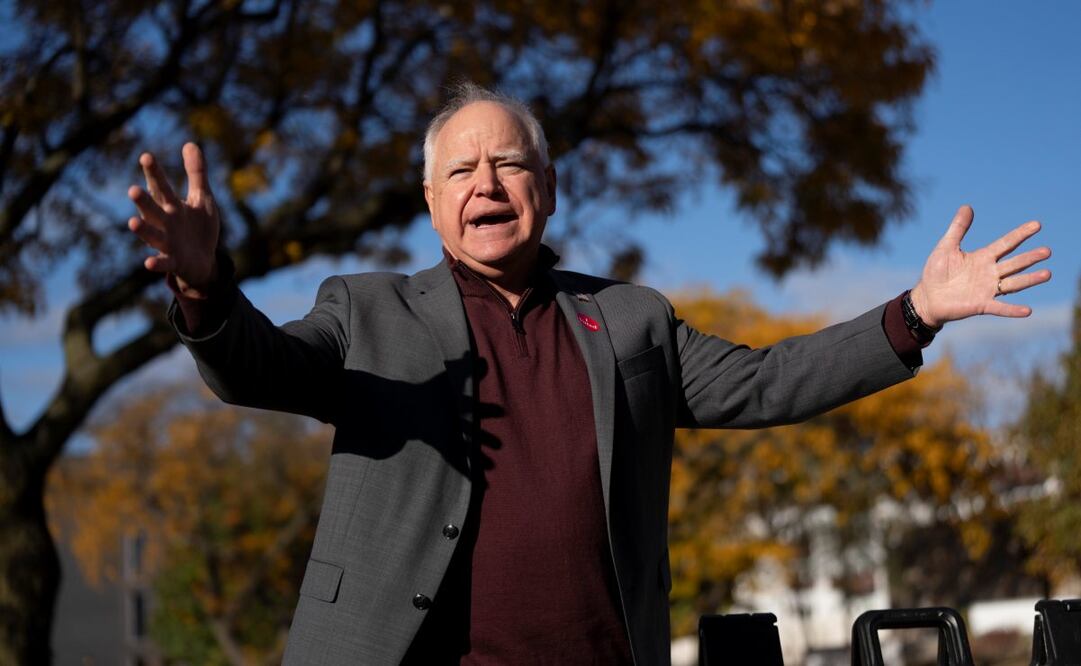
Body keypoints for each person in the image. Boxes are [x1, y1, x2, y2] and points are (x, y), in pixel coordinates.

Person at [126, 83, 1051, 665]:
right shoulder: (368, 310)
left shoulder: (632, 319)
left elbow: (768, 381)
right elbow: (260, 369)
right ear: (432, 203)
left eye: (508, 163)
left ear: (547, 187)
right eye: (460, 170)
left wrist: (917, 311)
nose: (485, 184)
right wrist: (207, 289)